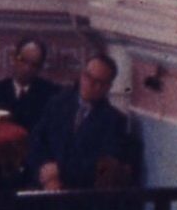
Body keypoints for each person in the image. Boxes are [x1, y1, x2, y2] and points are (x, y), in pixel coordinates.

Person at [27, 54, 134, 190]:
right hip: (44, 184)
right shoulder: (57, 104)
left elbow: (101, 165)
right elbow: (36, 142)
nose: (89, 84)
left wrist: (61, 171)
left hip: (79, 194)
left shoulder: (114, 121)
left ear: (108, 87)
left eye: (98, 82)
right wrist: (45, 174)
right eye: (87, 76)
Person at [0, 36, 60, 132]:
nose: (27, 68)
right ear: (14, 59)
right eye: (23, 60)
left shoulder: (49, 95)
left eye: (33, 64)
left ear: (40, 67)